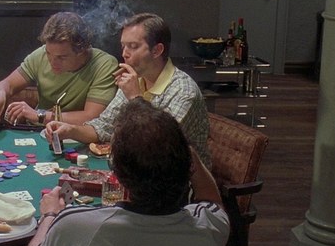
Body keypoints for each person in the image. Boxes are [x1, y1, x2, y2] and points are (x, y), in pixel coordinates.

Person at [26, 99, 230, 246]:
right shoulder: (209, 226)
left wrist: (50, 215)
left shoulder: (75, 226)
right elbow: (212, 200)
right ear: (188, 165)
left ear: (119, 175)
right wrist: (188, 154)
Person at [45, 12, 211, 167]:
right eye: (123, 46)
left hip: (177, 179)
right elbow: (103, 127)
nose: (125, 54)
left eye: (133, 46)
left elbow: (156, 146)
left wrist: (135, 98)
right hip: (138, 170)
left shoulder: (183, 90)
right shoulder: (136, 79)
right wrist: (70, 130)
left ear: (157, 50)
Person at [0, 12, 118, 126]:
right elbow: (8, 84)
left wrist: (39, 115)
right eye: (48, 53)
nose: (52, 62)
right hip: (40, 132)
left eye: (61, 57)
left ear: (82, 50)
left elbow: (91, 117)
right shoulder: (40, 55)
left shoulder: (104, 64)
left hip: (79, 136)